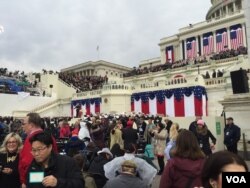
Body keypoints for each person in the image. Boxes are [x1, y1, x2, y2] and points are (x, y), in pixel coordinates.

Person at [19, 112, 58, 188]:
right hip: (49, 177)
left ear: (31, 125)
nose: (22, 126)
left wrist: (24, 181)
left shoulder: (32, 139)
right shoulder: (49, 136)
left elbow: (27, 162)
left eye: (24, 124)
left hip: (36, 178)